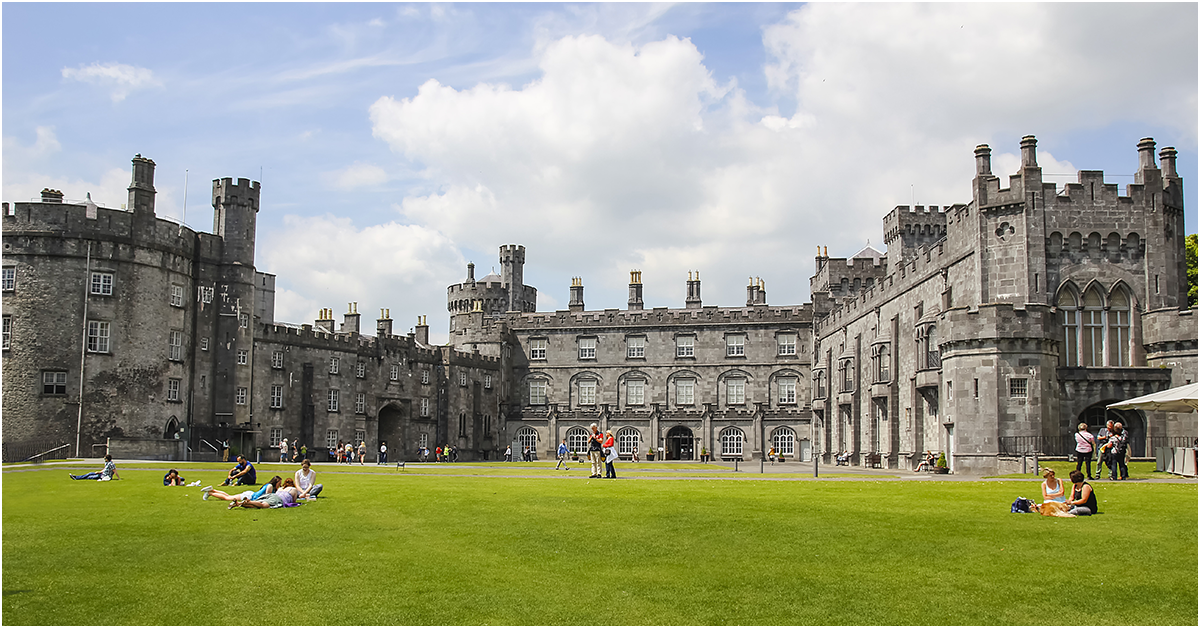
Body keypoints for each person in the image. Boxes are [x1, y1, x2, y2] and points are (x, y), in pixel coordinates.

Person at [232, 478, 301, 509]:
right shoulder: (293, 489)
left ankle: (239, 504)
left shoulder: (280, 489)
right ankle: (249, 501)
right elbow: (293, 502)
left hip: (272, 496)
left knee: (258, 505)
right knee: (263, 505)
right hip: (278, 499)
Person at [203, 476, 280, 502]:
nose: (280, 485)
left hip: (250, 494)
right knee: (227, 498)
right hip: (250, 497)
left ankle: (212, 490)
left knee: (229, 496)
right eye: (279, 483)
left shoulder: (270, 486)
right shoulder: (270, 486)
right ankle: (210, 493)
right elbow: (267, 497)